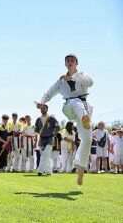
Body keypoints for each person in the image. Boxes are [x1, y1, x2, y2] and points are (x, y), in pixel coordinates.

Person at [36, 54, 93, 184]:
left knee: (87, 139)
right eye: (68, 60)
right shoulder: (61, 81)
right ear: (65, 64)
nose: (70, 61)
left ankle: (80, 169)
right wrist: (41, 102)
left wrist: (73, 77)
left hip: (84, 108)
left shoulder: (82, 74)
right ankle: (84, 116)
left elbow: (90, 83)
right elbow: (49, 92)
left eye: (72, 60)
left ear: (77, 63)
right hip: (69, 107)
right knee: (75, 101)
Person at [34, 105, 60, 176]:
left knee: (46, 154)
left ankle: (40, 170)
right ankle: (49, 171)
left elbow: (58, 127)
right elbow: (36, 130)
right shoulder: (38, 119)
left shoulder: (51, 118)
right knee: (45, 156)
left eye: (44, 108)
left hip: (50, 139)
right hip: (42, 139)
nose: (42, 109)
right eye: (41, 108)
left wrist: (53, 135)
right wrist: (37, 139)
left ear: (47, 109)